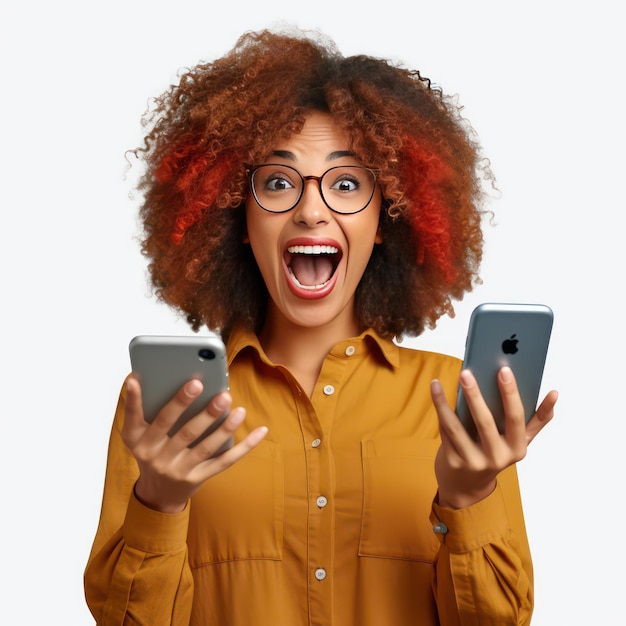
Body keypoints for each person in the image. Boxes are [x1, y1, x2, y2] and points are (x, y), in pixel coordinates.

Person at [84, 27, 558, 626]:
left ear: (386, 218)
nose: (312, 209)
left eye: (346, 184)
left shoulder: (458, 407)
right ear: (239, 213)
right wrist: (161, 500)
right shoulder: (166, 412)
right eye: (278, 182)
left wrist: (469, 496)